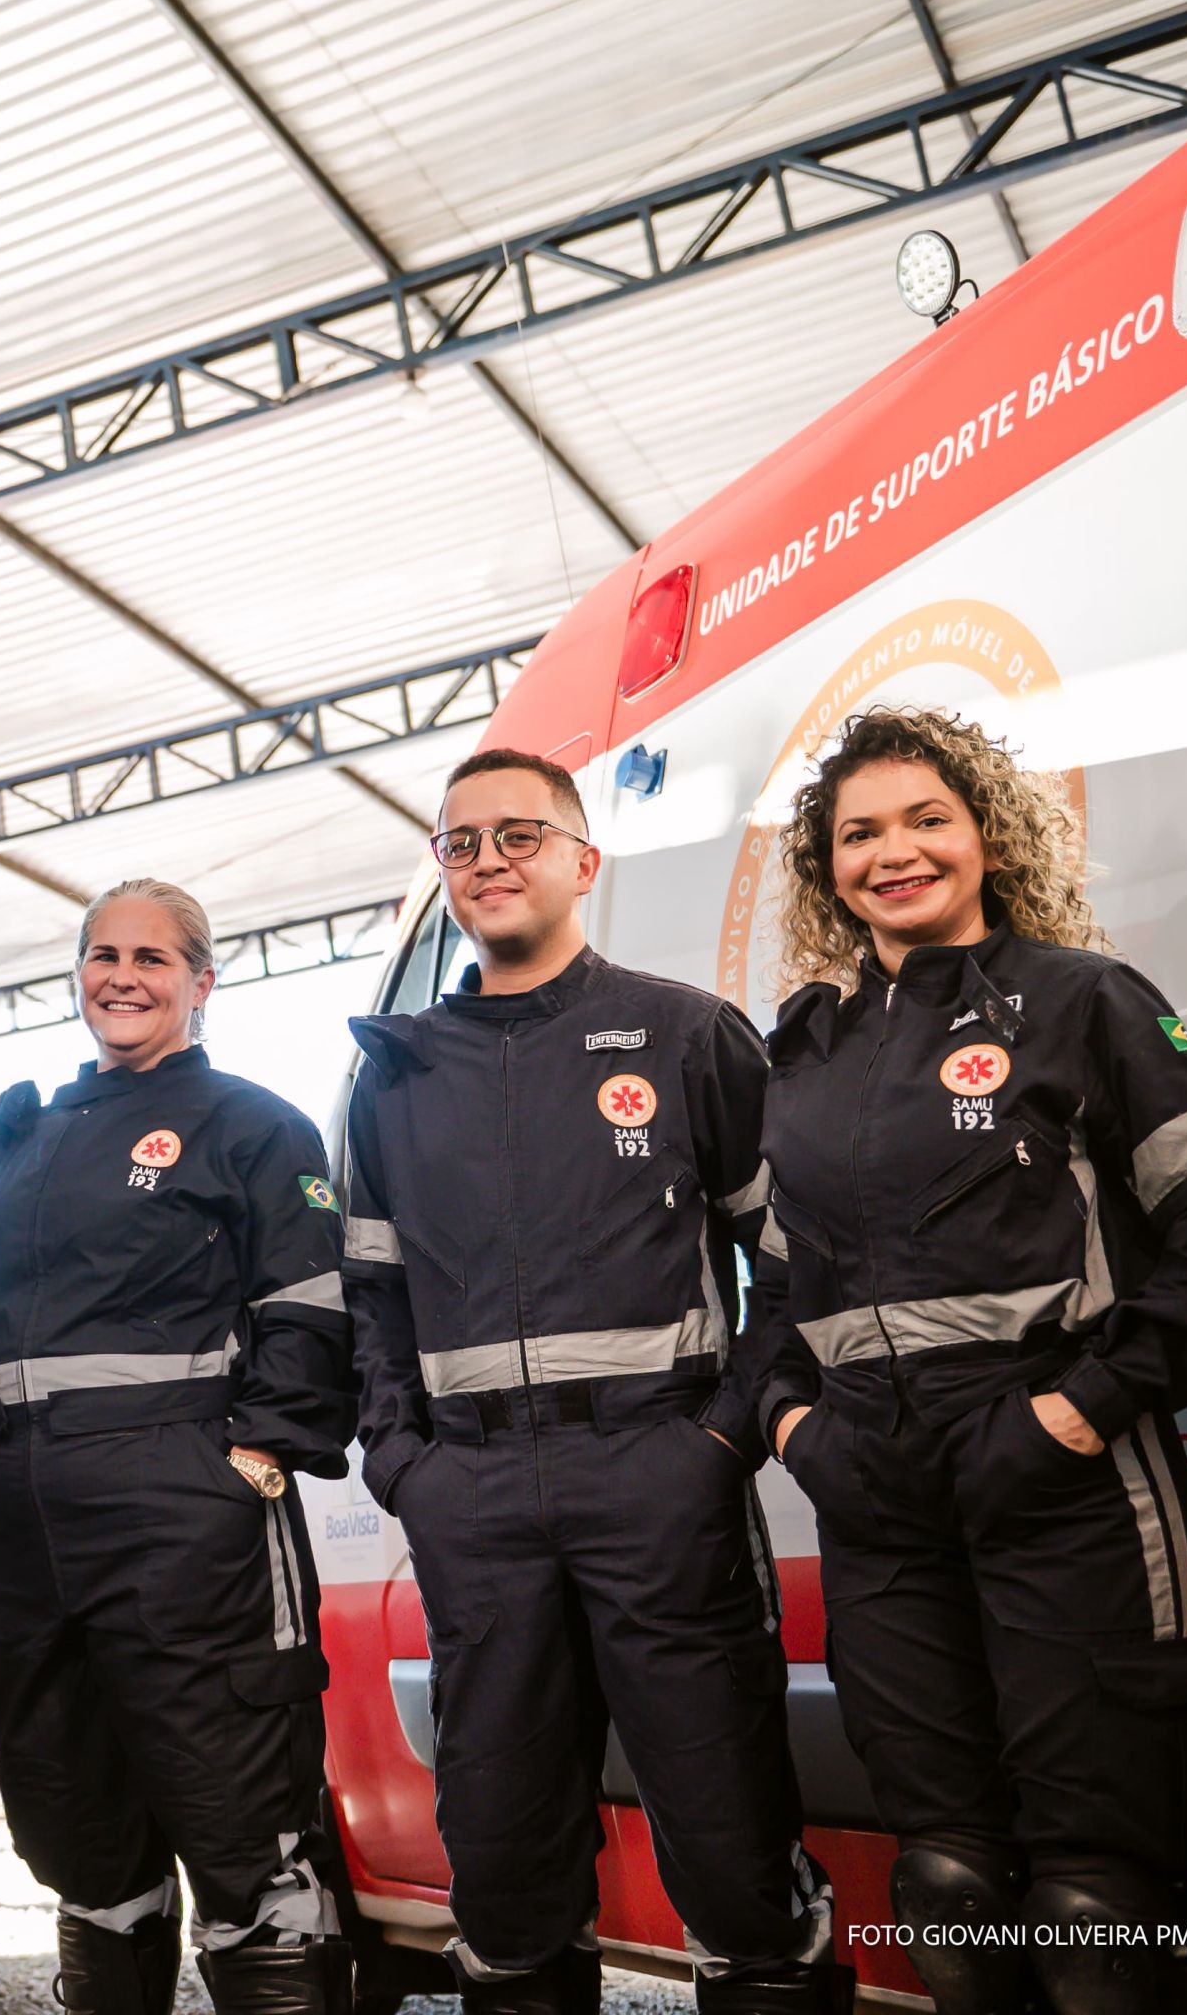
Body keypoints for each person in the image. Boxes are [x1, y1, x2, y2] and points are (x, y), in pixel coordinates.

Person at [752, 708, 1187, 2015]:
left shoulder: (1079, 1002)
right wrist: (795, 1431)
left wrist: (1075, 1410)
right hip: (877, 1512)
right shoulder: (797, 1058)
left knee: (1095, 1909)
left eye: (924, 819)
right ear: (823, 868)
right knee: (946, 1888)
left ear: (985, 834)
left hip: (1066, 1496)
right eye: (858, 832)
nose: (894, 852)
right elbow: (770, 1294)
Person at [341, 749, 839, 2015]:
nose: (489, 860)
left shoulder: (684, 1035)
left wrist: (723, 1441)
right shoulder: (396, 1077)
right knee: (502, 1879)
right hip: (476, 1503)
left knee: (733, 1860)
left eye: (519, 834)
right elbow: (372, 1301)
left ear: (581, 858)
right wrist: (405, 1466)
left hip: (660, 1483)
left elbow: (789, 1259)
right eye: (461, 842)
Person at [0, 880, 355, 2015]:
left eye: (152, 959)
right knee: (78, 1838)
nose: (122, 976)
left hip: (185, 1524)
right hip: (25, 1536)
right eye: (102, 955)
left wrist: (252, 1468)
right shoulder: (24, 1133)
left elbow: (312, 1313)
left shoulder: (253, 1125)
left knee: (240, 1830)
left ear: (202, 983)